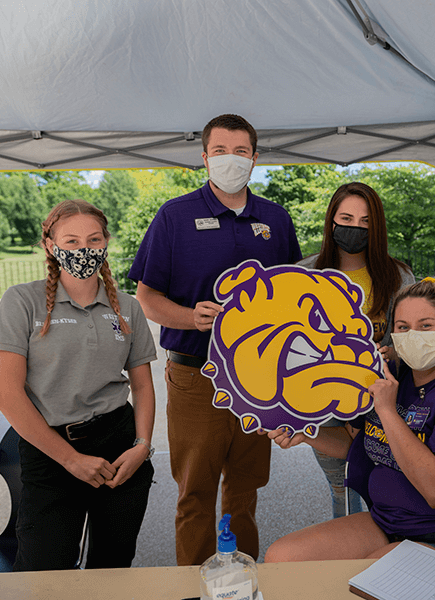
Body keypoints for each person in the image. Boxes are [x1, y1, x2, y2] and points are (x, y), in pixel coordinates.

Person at [128, 114, 302, 566]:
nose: (231, 159)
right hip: (194, 375)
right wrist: (190, 316)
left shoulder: (276, 220)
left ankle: (241, 581)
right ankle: (195, 586)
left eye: (240, 151)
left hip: (258, 381)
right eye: (220, 151)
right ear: (204, 158)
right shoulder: (175, 216)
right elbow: (146, 297)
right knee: (195, 493)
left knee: (244, 490)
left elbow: (294, 297)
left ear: (255, 158)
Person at [264, 276, 435, 561]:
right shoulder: (395, 376)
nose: (413, 335)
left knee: (370, 577)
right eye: (403, 327)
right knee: (281, 558)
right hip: (390, 522)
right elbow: (358, 445)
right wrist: (306, 433)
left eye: (426, 326)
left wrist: (386, 410)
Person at [0, 199, 156, 571]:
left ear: (107, 241)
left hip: (118, 448)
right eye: (72, 240)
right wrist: (71, 460)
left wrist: (142, 446)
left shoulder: (127, 307)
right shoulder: (23, 301)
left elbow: (142, 386)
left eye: (94, 239)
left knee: (111, 567)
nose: (84, 250)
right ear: (50, 245)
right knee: (46, 571)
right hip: (50, 452)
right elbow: (8, 396)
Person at [297, 181, 415, 519]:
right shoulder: (305, 274)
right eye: (346, 219)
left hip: (385, 401)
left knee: (390, 481)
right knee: (343, 486)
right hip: (326, 403)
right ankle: (349, 557)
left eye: (366, 222)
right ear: (331, 221)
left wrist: (392, 353)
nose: (356, 228)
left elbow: (413, 336)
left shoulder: (399, 276)